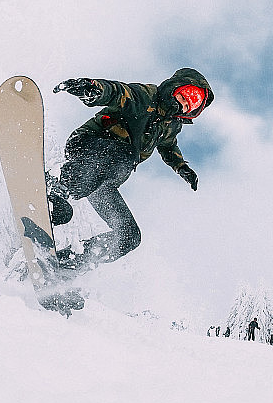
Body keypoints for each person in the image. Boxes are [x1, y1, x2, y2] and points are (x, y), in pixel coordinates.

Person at [49, 68, 214, 268]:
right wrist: (92, 88)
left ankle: (63, 265)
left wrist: (181, 167)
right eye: (182, 97)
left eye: (188, 106)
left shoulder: (171, 125)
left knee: (129, 236)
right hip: (88, 145)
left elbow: (168, 145)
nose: (182, 105)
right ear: (174, 87)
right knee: (126, 155)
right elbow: (117, 92)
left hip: (103, 178)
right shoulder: (146, 97)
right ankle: (56, 190)